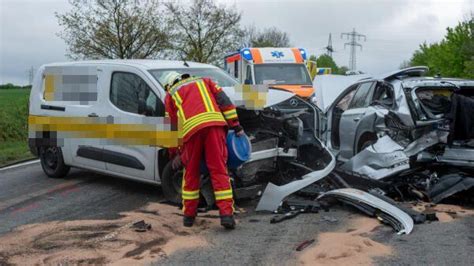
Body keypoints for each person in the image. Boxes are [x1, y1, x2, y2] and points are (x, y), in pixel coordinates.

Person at [163, 72, 244, 229]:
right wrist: (236, 125)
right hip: (214, 127)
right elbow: (225, 102)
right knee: (219, 171)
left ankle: (189, 216)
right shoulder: (205, 81)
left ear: (169, 84)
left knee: (191, 173)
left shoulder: (171, 95)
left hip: (191, 133)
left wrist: (175, 153)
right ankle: (226, 215)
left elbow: (171, 127)